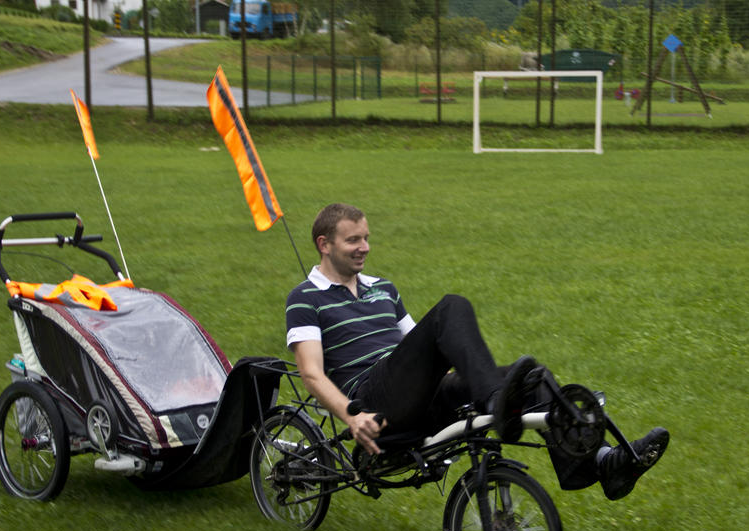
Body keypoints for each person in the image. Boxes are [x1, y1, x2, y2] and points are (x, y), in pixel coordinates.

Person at [285, 203, 668, 500]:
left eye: (366, 237)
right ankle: (497, 400)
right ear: (325, 244)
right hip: (372, 400)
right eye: (353, 240)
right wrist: (352, 417)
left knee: (532, 377)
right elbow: (311, 373)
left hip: (413, 394)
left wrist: (464, 378)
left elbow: (426, 347)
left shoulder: (383, 288)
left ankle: (603, 463)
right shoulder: (305, 299)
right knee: (451, 307)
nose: (364, 247)